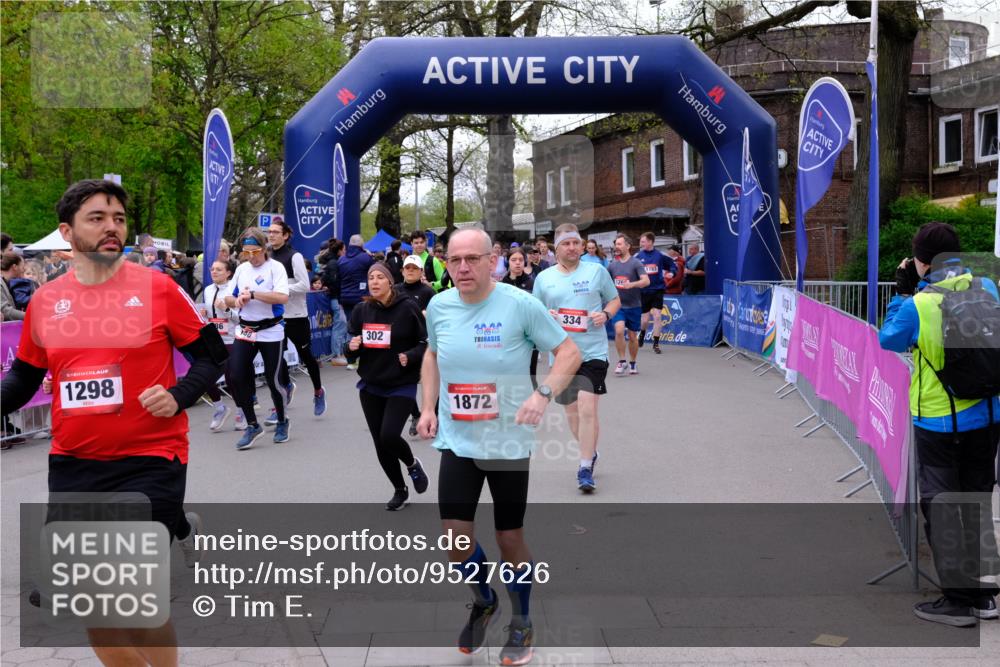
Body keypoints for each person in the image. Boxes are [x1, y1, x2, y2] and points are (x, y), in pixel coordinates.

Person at [0, 179, 226, 667]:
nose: (111, 227)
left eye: (119, 219)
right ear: (67, 232)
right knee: (96, 612)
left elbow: (212, 358)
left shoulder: (159, 288)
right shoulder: (45, 301)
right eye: (96, 218)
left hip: (151, 457)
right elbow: (22, 377)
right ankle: (180, 528)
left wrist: (179, 394)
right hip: (75, 461)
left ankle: (171, 526)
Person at [417, 228, 580, 664]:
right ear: (446, 263)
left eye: (473, 258)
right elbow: (432, 355)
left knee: (509, 538)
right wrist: (428, 406)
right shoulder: (438, 305)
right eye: (455, 260)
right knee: (454, 538)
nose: (464, 267)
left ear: (493, 260)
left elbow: (569, 353)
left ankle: (522, 620)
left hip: (507, 441)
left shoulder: (519, 304)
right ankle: (485, 599)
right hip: (457, 439)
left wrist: (541, 394)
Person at [879, 221, 1000, 627]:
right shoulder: (988, 287)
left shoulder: (920, 303)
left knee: (944, 507)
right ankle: (986, 597)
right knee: (977, 503)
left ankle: (957, 601)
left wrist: (902, 291)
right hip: (986, 415)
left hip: (939, 420)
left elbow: (889, 339)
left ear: (920, 260)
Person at [532, 223, 620, 493]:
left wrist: (605, 315)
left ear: (582, 246)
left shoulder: (596, 271)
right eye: (566, 244)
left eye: (576, 243)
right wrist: (548, 315)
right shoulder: (544, 278)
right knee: (571, 414)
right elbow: (535, 313)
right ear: (556, 248)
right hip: (562, 355)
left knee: (587, 408)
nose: (572, 248)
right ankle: (590, 451)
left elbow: (614, 300)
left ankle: (584, 466)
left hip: (593, 352)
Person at [346, 263, 430, 510]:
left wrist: (411, 356)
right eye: (370, 277)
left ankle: (412, 464)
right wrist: (351, 347)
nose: (374, 281)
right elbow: (350, 348)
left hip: (400, 384)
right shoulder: (362, 310)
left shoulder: (407, 308)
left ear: (390, 282)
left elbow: (425, 342)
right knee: (380, 443)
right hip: (371, 385)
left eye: (380, 277)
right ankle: (399, 489)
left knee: (389, 435)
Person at [223, 229, 291, 450]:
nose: (251, 256)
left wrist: (252, 294)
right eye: (246, 252)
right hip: (246, 329)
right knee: (236, 374)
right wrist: (237, 301)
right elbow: (228, 297)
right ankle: (253, 425)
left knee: (273, 380)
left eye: (255, 252)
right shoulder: (242, 269)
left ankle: (282, 420)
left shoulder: (275, 268)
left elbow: (282, 297)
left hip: (271, 329)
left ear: (264, 249)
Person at [266, 219, 326, 418]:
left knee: (306, 356)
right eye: (270, 231)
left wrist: (281, 290)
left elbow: (304, 285)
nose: (271, 235)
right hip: (275, 316)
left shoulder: (295, 256)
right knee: (275, 358)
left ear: (285, 235)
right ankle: (284, 390)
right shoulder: (267, 258)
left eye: (276, 232)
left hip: (295, 315)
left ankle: (318, 391)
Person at [203, 259, 241, 431]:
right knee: (205, 376)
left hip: (231, 338)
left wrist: (226, 310)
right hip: (213, 338)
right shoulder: (208, 290)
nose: (214, 272)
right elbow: (210, 316)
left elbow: (241, 317)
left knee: (231, 378)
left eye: (219, 269)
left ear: (228, 273)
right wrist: (204, 314)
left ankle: (242, 411)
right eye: (212, 269)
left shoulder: (234, 289)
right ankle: (220, 407)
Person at [608, 234, 648, 375]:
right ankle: (622, 361)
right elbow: (605, 283)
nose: (616, 247)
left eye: (619, 244)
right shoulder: (612, 265)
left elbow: (646, 281)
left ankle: (633, 362)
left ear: (628, 246)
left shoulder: (636, 263)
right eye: (616, 244)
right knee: (619, 330)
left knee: (632, 336)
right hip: (618, 305)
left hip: (634, 305)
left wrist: (632, 284)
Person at [502, 247, 540, 387]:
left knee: (530, 376)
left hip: (529, 336)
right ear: (508, 262)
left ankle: (534, 405)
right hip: (508, 336)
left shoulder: (532, 283)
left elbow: (538, 309)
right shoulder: (501, 285)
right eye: (513, 260)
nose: (517, 263)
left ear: (525, 262)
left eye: (520, 260)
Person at [635, 232, 676, 354]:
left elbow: (672, 264)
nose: (641, 244)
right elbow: (630, 269)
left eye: (643, 241)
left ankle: (656, 344)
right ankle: (642, 333)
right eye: (641, 241)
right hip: (644, 291)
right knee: (645, 320)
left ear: (650, 242)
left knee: (657, 316)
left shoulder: (660, 255)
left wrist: (672, 273)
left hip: (657, 289)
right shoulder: (638, 256)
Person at [338, 234, 374, 326]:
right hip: (362, 296)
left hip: (345, 297)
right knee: (364, 324)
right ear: (362, 245)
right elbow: (375, 271)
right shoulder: (366, 257)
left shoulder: (341, 259)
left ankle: (352, 339)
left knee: (350, 323)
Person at [1, 254, 27, 320]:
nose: (24, 269)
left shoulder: (6, 282)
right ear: (15, 267)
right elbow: (5, 311)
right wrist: (30, 315)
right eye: (23, 266)